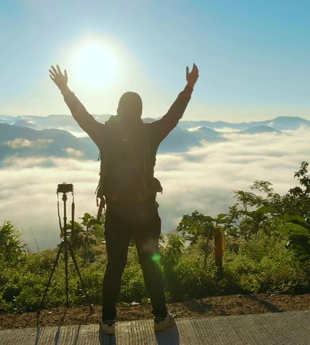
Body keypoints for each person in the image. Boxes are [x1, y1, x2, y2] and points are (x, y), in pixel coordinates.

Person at [49, 63, 199, 335]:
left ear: (118, 109)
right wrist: (189, 87)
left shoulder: (105, 135)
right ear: (140, 111)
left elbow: (81, 116)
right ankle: (160, 317)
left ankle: (107, 321)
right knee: (151, 265)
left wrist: (64, 88)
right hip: (145, 213)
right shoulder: (150, 134)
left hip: (117, 213)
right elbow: (173, 116)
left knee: (114, 267)